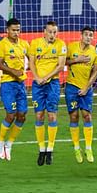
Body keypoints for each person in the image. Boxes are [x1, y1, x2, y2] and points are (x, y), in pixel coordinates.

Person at [28, 21, 67, 166]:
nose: (52, 35)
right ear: (44, 31)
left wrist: (47, 77)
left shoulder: (61, 45)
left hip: (53, 84)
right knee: (39, 115)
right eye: (50, 32)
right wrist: (37, 78)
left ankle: (50, 149)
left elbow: (61, 66)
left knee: (51, 115)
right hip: (38, 84)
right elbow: (31, 63)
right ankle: (41, 149)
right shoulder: (35, 43)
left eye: (55, 32)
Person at [0, 18, 30, 161]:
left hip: (20, 84)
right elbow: (0, 64)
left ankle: (9, 144)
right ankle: (0, 141)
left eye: (18, 30)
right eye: (13, 30)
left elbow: (33, 58)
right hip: (8, 84)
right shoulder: (2, 44)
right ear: (7, 30)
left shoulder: (24, 44)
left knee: (22, 116)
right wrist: (13, 72)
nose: (16, 32)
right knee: (11, 114)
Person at [65, 26, 97, 163]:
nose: (88, 37)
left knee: (87, 116)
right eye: (86, 34)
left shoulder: (95, 52)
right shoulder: (72, 47)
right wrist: (76, 60)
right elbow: (64, 62)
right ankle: (76, 148)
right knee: (74, 116)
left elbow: (95, 71)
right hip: (72, 86)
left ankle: (88, 148)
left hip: (86, 88)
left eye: (91, 35)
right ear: (81, 35)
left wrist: (86, 88)